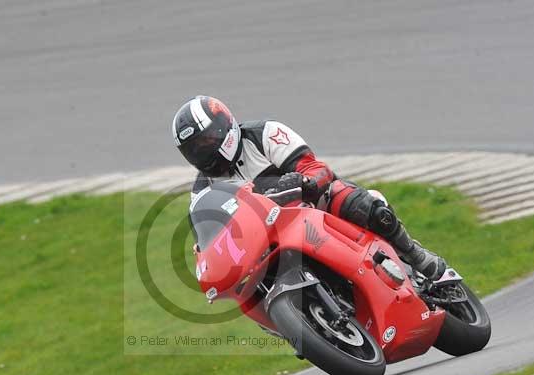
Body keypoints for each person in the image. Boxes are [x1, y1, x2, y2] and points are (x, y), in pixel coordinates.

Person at [171, 95, 447, 281]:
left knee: (360, 205)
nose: (202, 153)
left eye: (205, 142)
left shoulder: (264, 134)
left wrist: (304, 182)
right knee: (251, 285)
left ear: (224, 127)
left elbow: (316, 168)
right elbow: (207, 238)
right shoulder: (202, 191)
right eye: (193, 149)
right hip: (269, 240)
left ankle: (415, 255)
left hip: (315, 204)